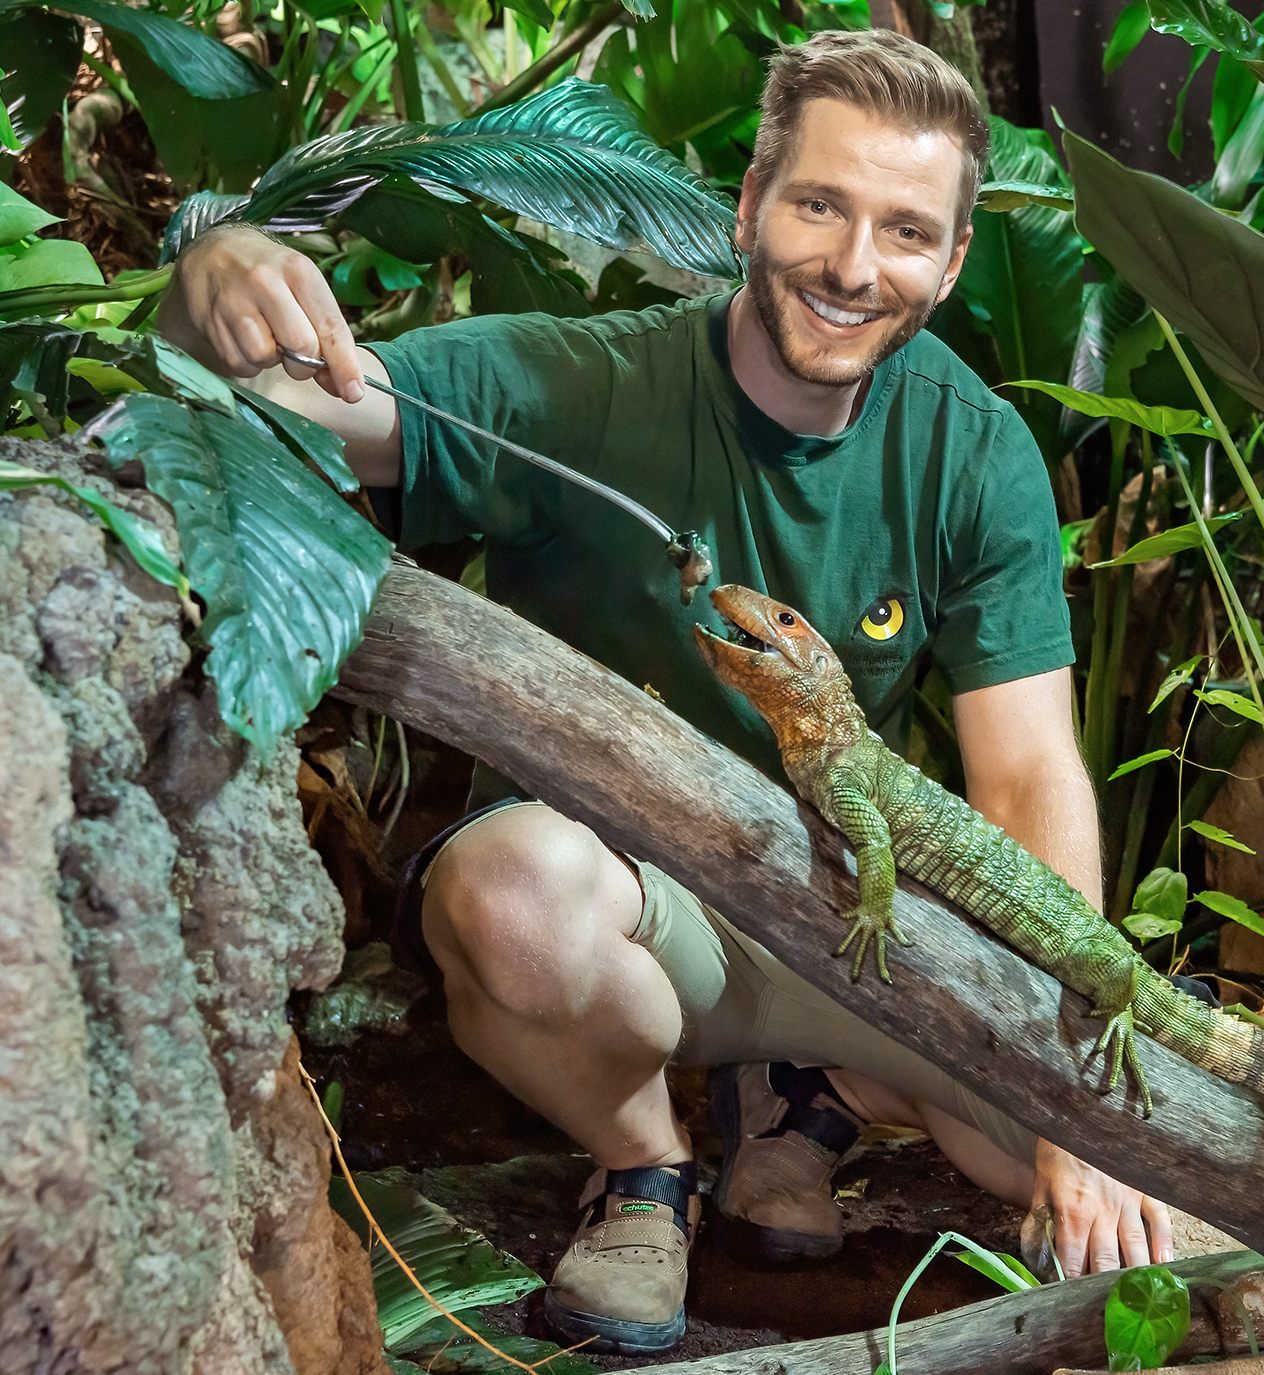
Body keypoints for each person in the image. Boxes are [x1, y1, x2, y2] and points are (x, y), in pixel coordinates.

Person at [159, 28, 1174, 1356]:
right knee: (514, 906)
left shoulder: (974, 450)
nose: (856, 268)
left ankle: (813, 1099)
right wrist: (212, 276)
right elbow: (284, 402)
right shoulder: (580, 381)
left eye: (905, 230)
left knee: (1044, 1170)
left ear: (952, 258)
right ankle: (643, 1164)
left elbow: (1028, 774)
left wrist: (1069, 1110)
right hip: (622, 912)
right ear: (750, 208)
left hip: (838, 909)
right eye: (819, 205)